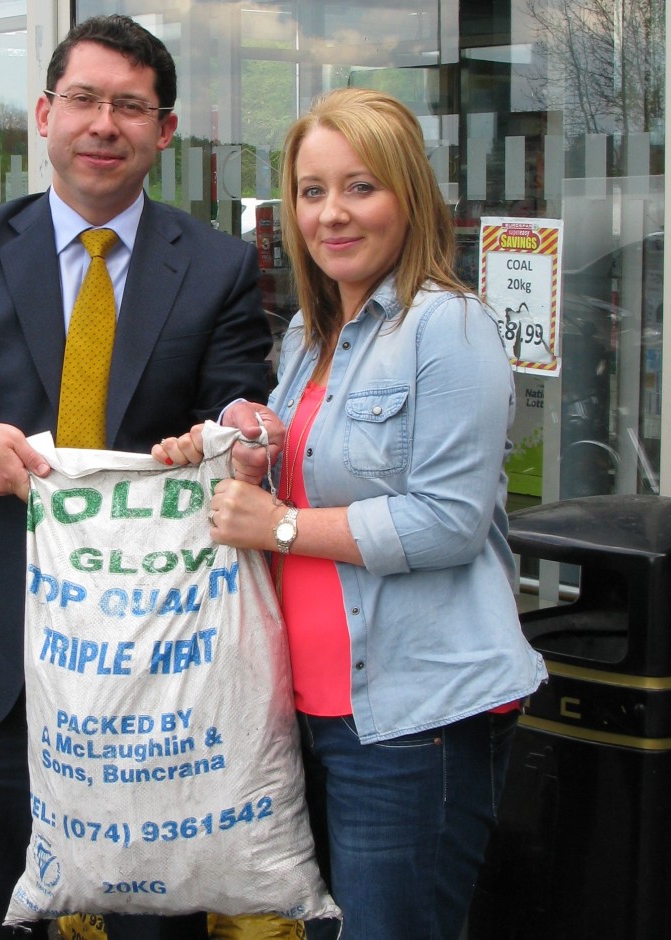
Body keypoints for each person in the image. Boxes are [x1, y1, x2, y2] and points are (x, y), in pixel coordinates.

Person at [0, 15, 271, 940]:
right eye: (84, 98)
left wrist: (230, 436)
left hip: (155, 667)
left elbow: (242, 415)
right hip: (0, 653)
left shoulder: (221, 266)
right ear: (44, 113)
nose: (104, 123)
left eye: (130, 105)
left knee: (157, 916)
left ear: (165, 129)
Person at [157, 87, 548, 939]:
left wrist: (279, 525)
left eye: (360, 187)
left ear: (410, 197)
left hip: (414, 721)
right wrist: (245, 445)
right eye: (311, 191)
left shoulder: (448, 327)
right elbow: (320, 475)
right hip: (313, 712)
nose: (332, 214)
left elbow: (447, 521)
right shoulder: (310, 335)